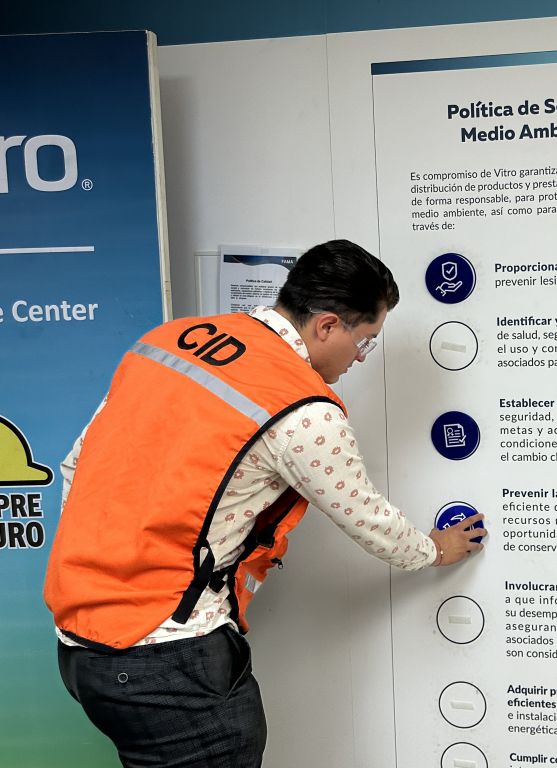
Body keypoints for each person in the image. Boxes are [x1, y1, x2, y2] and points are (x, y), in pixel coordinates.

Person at [44, 239, 486, 768]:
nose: (359, 357)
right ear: (327, 325)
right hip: (169, 656)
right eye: (365, 340)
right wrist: (435, 550)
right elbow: (367, 517)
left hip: (80, 646)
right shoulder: (304, 410)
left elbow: (78, 465)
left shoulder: (170, 340)